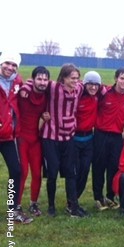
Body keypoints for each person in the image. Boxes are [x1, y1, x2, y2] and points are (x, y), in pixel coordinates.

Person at [21, 63, 87, 217]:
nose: (75, 81)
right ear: (63, 78)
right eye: (72, 78)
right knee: (52, 173)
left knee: (71, 173)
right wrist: (26, 87)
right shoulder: (53, 87)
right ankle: (51, 207)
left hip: (69, 137)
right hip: (50, 137)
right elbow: (36, 82)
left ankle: (74, 206)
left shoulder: (79, 88)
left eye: (77, 78)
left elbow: (94, 86)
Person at [92, 67, 124, 211]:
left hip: (116, 136)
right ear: (115, 79)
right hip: (100, 134)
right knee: (98, 166)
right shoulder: (104, 93)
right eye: (121, 78)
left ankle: (110, 196)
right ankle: (98, 197)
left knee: (114, 167)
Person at [0, 50, 33, 223]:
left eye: (13, 65)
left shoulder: (16, 82)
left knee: (17, 171)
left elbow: (29, 83)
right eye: (7, 63)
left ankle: (12, 210)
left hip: (7, 136)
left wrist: (25, 89)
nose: (9, 67)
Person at [17, 66, 49, 217]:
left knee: (37, 173)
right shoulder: (23, 92)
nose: (42, 82)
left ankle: (33, 204)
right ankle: (16, 205)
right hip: (21, 138)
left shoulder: (47, 94)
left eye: (45, 79)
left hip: (35, 139)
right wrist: (27, 85)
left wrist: (45, 116)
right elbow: (17, 81)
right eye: (39, 79)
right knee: (21, 173)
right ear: (33, 79)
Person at [74, 71, 102, 203]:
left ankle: (75, 198)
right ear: (85, 84)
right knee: (75, 171)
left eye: (96, 85)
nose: (93, 87)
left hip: (89, 139)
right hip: (74, 140)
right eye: (90, 84)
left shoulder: (98, 97)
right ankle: (72, 200)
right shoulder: (77, 96)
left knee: (85, 171)